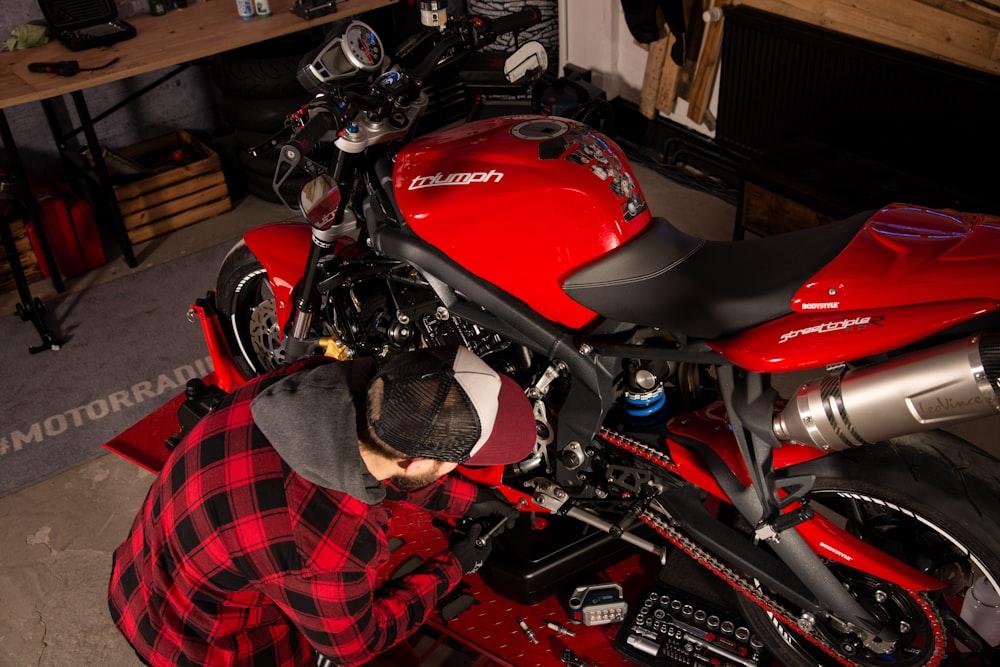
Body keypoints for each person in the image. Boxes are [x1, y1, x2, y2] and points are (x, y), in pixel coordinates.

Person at [108, 345, 537, 667]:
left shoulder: (306, 384)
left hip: (141, 568)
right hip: (198, 644)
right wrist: (455, 566)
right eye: (458, 462)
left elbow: (389, 464)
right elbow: (355, 644)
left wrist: (471, 501)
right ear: (422, 462)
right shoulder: (326, 543)